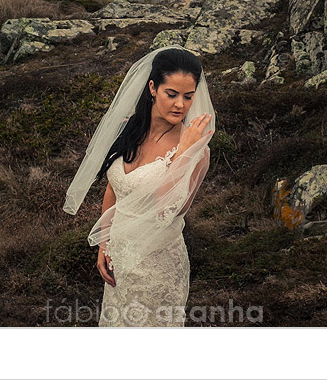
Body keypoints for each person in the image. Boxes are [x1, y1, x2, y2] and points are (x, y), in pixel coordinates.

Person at [63, 45, 215, 326]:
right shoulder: (127, 129)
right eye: (172, 94)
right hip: (120, 256)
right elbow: (114, 188)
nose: (180, 105)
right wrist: (103, 244)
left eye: (188, 96)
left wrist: (183, 153)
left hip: (159, 264)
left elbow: (167, 208)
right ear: (153, 88)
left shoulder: (196, 150)